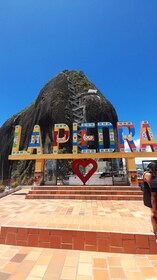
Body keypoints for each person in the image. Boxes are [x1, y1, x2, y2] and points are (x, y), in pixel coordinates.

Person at [143, 162, 157, 241]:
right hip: (151, 195)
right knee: (154, 213)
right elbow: (150, 185)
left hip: (152, 195)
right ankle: (155, 230)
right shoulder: (148, 174)